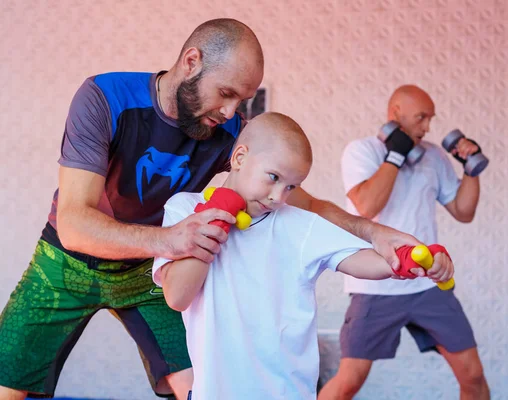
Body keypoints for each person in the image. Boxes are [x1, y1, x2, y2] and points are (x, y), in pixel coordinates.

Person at [0, 20, 420, 400]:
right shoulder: (105, 98)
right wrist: (171, 238)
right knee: (7, 380)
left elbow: (305, 204)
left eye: (242, 100)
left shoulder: (233, 134)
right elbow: (75, 223)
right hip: (65, 261)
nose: (230, 112)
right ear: (191, 61)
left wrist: (374, 233)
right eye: (226, 93)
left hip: (147, 267)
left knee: (197, 383)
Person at [151, 112, 455, 400]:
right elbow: (178, 296)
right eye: (273, 177)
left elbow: (361, 260)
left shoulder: (297, 224)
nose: (278, 196)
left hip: (287, 391)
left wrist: (410, 261)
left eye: (291, 186)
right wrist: (217, 215)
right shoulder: (185, 210)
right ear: (240, 158)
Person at [318, 85, 490, 400]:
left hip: (427, 286)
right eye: (421, 118)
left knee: (473, 376)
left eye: (430, 119)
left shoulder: (435, 156)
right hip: (376, 288)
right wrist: (395, 155)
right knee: (349, 382)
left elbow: (464, 212)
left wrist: (471, 168)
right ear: (395, 113)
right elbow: (367, 205)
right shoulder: (362, 151)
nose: (427, 128)